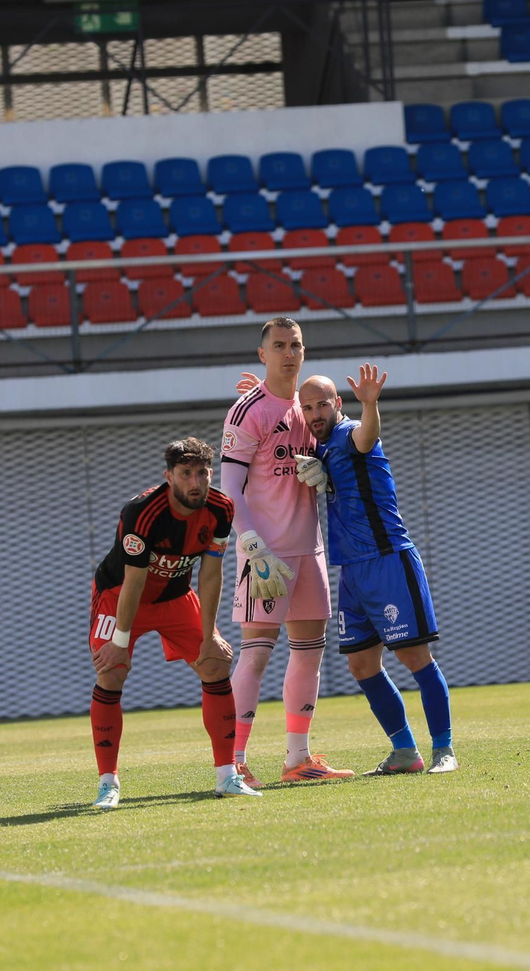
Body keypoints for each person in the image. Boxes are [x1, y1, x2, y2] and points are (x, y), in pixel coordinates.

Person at [292, 364, 457, 775]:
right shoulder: (322, 448)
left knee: (413, 655)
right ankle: (405, 752)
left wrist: (371, 405)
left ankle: (444, 750)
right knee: (362, 666)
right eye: (307, 407)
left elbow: (367, 438)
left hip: (389, 562)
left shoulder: (349, 432)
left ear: (338, 404)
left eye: (322, 404)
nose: (315, 413)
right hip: (351, 571)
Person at [87, 437, 256, 808]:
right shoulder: (142, 512)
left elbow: (211, 575)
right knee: (111, 671)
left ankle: (227, 776)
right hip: (121, 595)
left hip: (175, 596)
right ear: (169, 476)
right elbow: (134, 580)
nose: (195, 482)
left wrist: (210, 633)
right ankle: (108, 783)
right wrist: (119, 640)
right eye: (185, 474)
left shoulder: (221, 508)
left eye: (201, 473)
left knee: (214, 663)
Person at [219, 318, 354, 786]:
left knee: (309, 654)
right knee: (255, 655)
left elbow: (343, 452)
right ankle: (233, 761)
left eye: (295, 344)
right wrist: (252, 546)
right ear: (262, 354)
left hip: (308, 550)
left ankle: (298, 759)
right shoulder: (247, 410)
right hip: (265, 554)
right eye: (278, 346)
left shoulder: (310, 408)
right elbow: (229, 489)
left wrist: (323, 470)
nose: (288, 353)